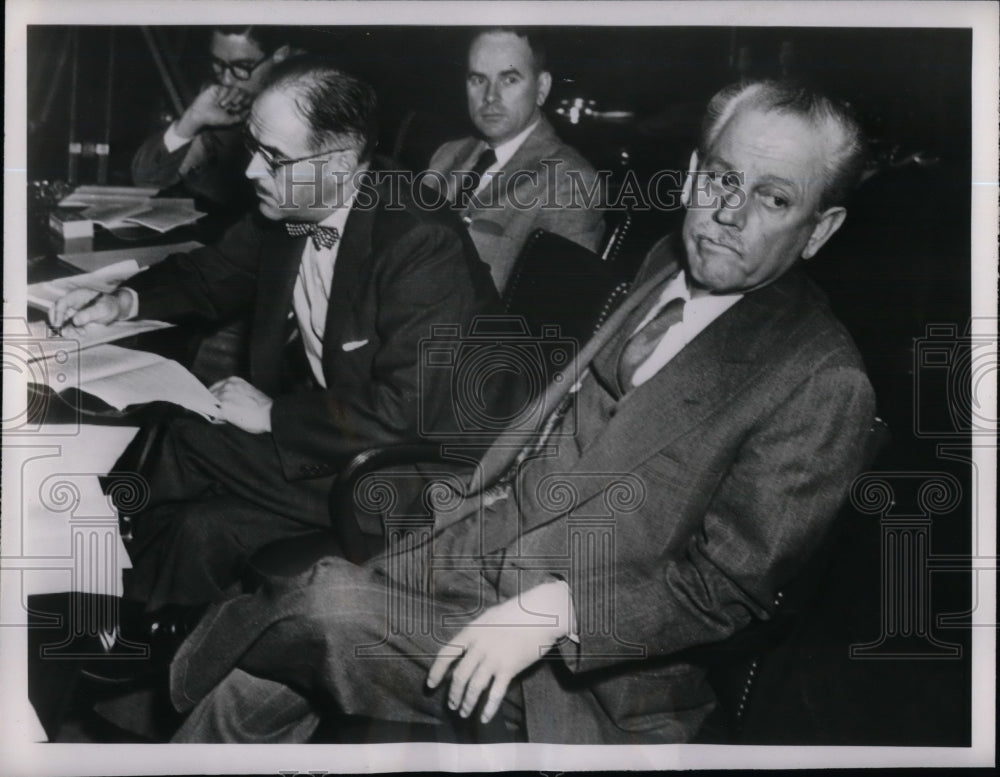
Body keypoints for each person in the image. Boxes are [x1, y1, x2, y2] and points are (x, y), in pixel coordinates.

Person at [168, 79, 878, 744]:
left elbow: (725, 592)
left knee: (319, 604)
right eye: (723, 179)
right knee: (248, 686)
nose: (730, 213)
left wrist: (556, 614)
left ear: (821, 228)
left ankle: (163, 681)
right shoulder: (672, 255)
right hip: (466, 547)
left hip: (574, 669)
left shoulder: (821, 380)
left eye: (775, 199)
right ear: (694, 174)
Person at [50, 57, 499, 615]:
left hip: (412, 474)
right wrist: (124, 299)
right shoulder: (296, 205)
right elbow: (212, 274)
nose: (251, 173)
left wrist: (271, 417)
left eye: (275, 159)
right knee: (201, 528)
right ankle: (128, 637)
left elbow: (411, 409)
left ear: (337, 163)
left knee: (183, 438)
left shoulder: (420, 242)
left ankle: (83, 595)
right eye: (253, 149)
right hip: (342, 442)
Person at [426, 28, 606, 292]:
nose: (490, 97)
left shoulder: (570, 181)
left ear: (541, 88)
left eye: (509, 80)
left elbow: (550, 307)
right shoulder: (447, 155)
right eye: (478, 80)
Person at [131, 26, 295, 216]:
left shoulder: (309, 100)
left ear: (281, 55)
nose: (226, 79)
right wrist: (192, 120)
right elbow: (147, 180)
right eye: (218, 63)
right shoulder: (217, 98)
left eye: (242, 66)